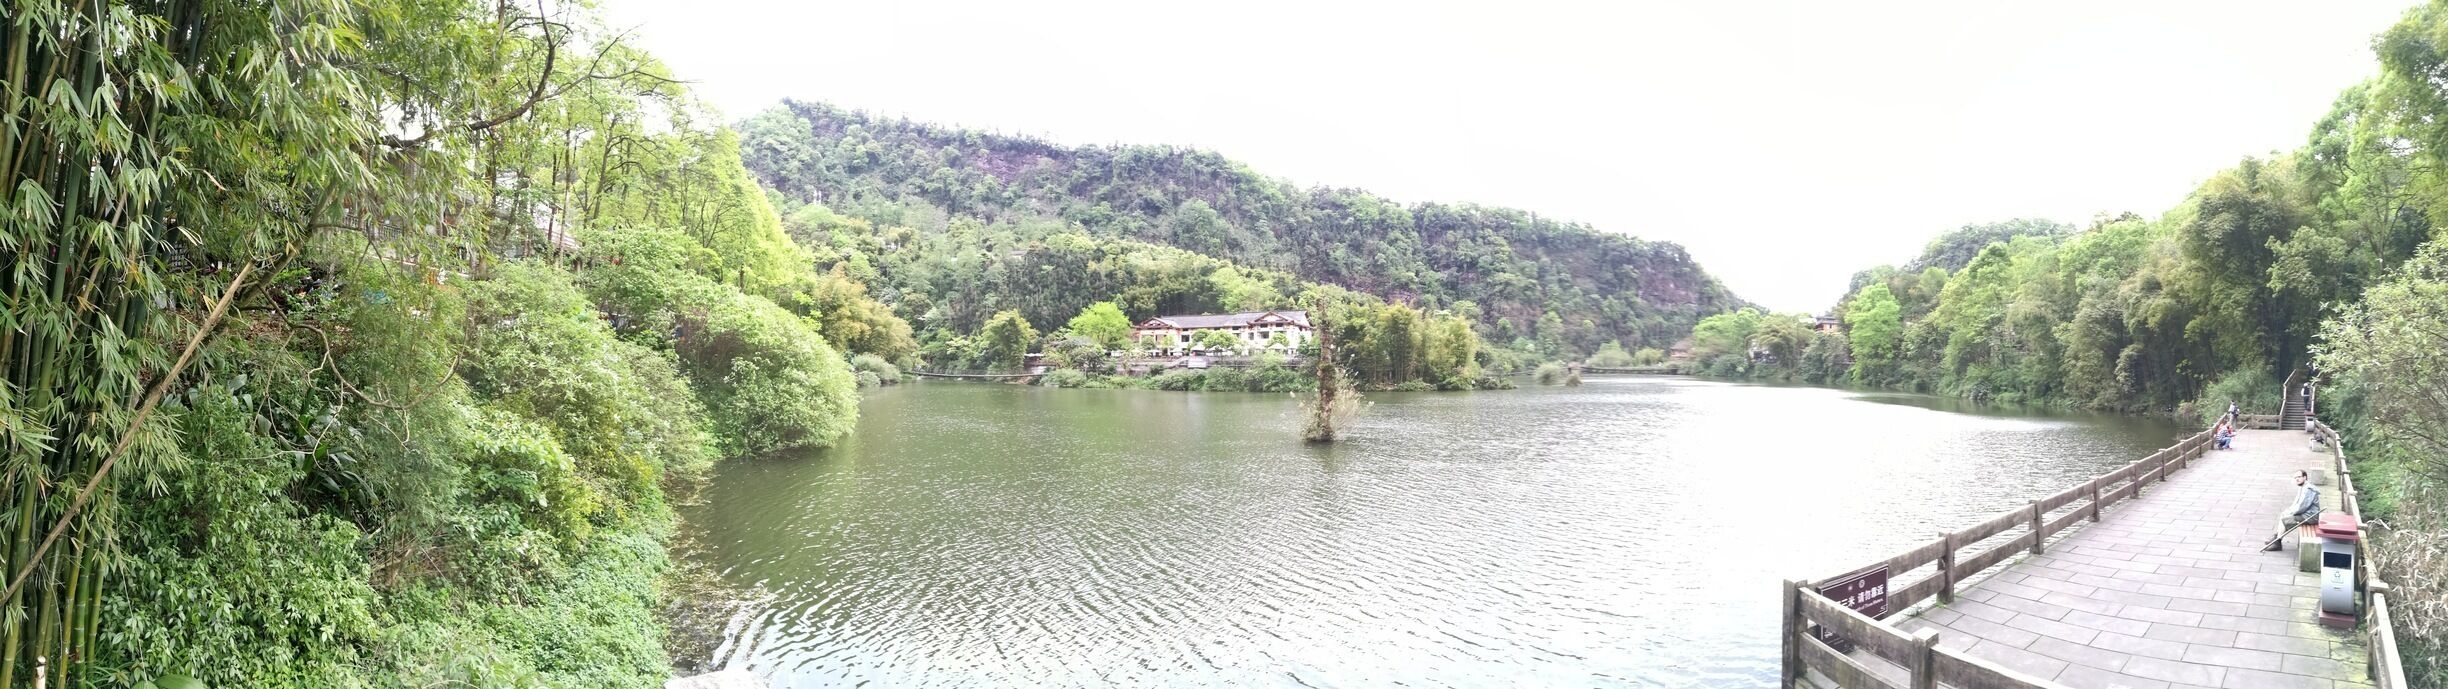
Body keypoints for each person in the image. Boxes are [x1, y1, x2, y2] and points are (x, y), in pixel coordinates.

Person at [2264, 470, 2320, 552]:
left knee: (2285, 521)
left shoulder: (2309, 489)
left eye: (2299, 477)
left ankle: (2278, 542)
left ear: (2305, 477)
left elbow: (2302, 507)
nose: (2297, 479)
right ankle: (2277, 537)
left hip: (2310, 517)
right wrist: (2288, 511)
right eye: (2295, 477)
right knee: (2284, 516)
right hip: (2304, 514)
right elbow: (2296, 504)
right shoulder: (2303, 487)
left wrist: (2290, 513)